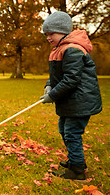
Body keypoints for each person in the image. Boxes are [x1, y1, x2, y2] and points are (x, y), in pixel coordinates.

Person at [40, 11, 102, 180]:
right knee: (64, 130)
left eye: (51, 33)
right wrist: (49, 85)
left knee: (71, 133)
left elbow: (71, 79)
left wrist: (52, 95)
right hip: (71, 101)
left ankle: (77, 171)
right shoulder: (60, 49)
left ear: (63, 31)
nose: (48, 37)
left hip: (80, 101)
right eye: (46, 34)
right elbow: (58, 74)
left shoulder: (72, 49)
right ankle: (76, 160)